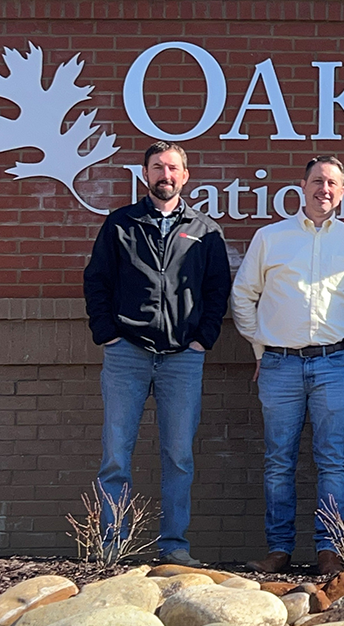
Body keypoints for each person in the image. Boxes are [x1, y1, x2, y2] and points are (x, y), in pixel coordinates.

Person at [231, 156, 344, 576]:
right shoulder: (271, 238)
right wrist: (260, 349)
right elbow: (243, 296)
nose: (325, 189)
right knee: (278, 460)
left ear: (342, 191)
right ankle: (279, 549)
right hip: (279, 365)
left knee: (332, 459)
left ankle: (329, 550)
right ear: (302, 186)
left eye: (333, 183)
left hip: (335, 364)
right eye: (318, 180)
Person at [83, 141, 231, 568]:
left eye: (173, 168)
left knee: (179, 455)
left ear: (185, 176)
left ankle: (174, 545)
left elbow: (217, 289)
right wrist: (106, 334)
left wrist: (204, 338)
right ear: (145, 174)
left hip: (183, 357)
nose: (165, 175)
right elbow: (97, 282)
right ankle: (114, 545)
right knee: (115, 454)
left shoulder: (205, 231)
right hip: (126, 353)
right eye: (157, 167)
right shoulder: (121, 224)